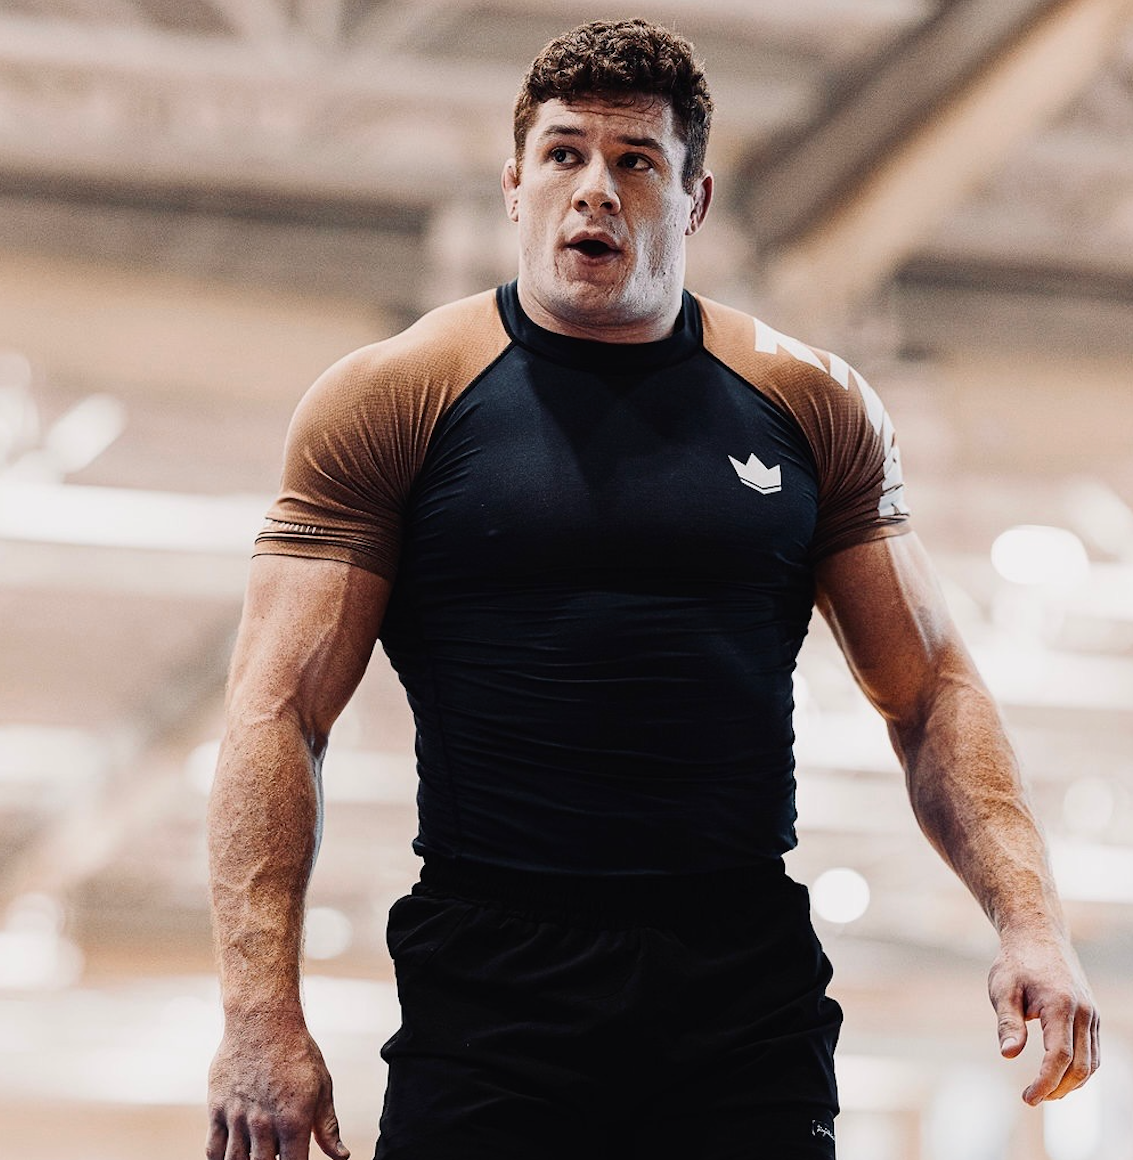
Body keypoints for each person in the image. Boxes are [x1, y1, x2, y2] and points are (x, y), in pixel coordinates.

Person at [204, 18, 1099, 1160]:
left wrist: (1030, 922)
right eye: (564, 154)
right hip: (492, 979)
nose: (595, 190)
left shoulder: (807, 402)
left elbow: (929, 690)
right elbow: (276, 712)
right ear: (513, 185)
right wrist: (256, 1013)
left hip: (738, 977)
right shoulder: (388, 399)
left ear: (694, 200)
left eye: (636, 161)